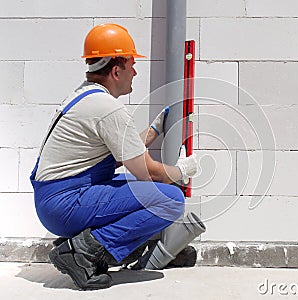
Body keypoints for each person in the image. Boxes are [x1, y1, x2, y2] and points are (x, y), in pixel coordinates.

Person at [30, 23, 198, 290]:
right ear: (116, 70)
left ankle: (94, 248)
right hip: (64, 203)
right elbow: (147, 172)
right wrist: (183, 170)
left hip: (58, 199)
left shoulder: (86, 97)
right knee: (170, 198)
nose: (135, 71)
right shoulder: (107, 108)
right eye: (131, 64)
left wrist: (154, 131)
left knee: (146, 190)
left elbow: (122, 154)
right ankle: (81, 252)